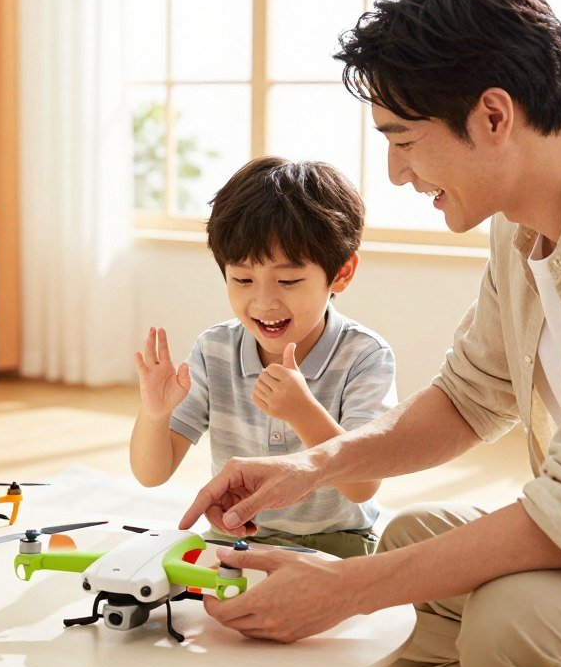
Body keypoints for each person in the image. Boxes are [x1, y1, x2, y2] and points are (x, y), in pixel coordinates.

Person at [177, 0, 561, 667]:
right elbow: (466, 397)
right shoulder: (522, 228)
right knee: (412, 539)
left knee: (515, 629)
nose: (393, 172)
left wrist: (344, 589)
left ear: (493, 116)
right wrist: (311, 467)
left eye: (402, 138)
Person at [130, 156, 396, 559]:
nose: (264, 301)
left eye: (288, 280)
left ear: (341, 273)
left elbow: (362, 485)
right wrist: (154, 413)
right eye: (242, 279)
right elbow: (151, 475)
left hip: (335, 545)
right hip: (235, 538)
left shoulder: (364, 356)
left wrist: (302, 410)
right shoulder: (214, 350)